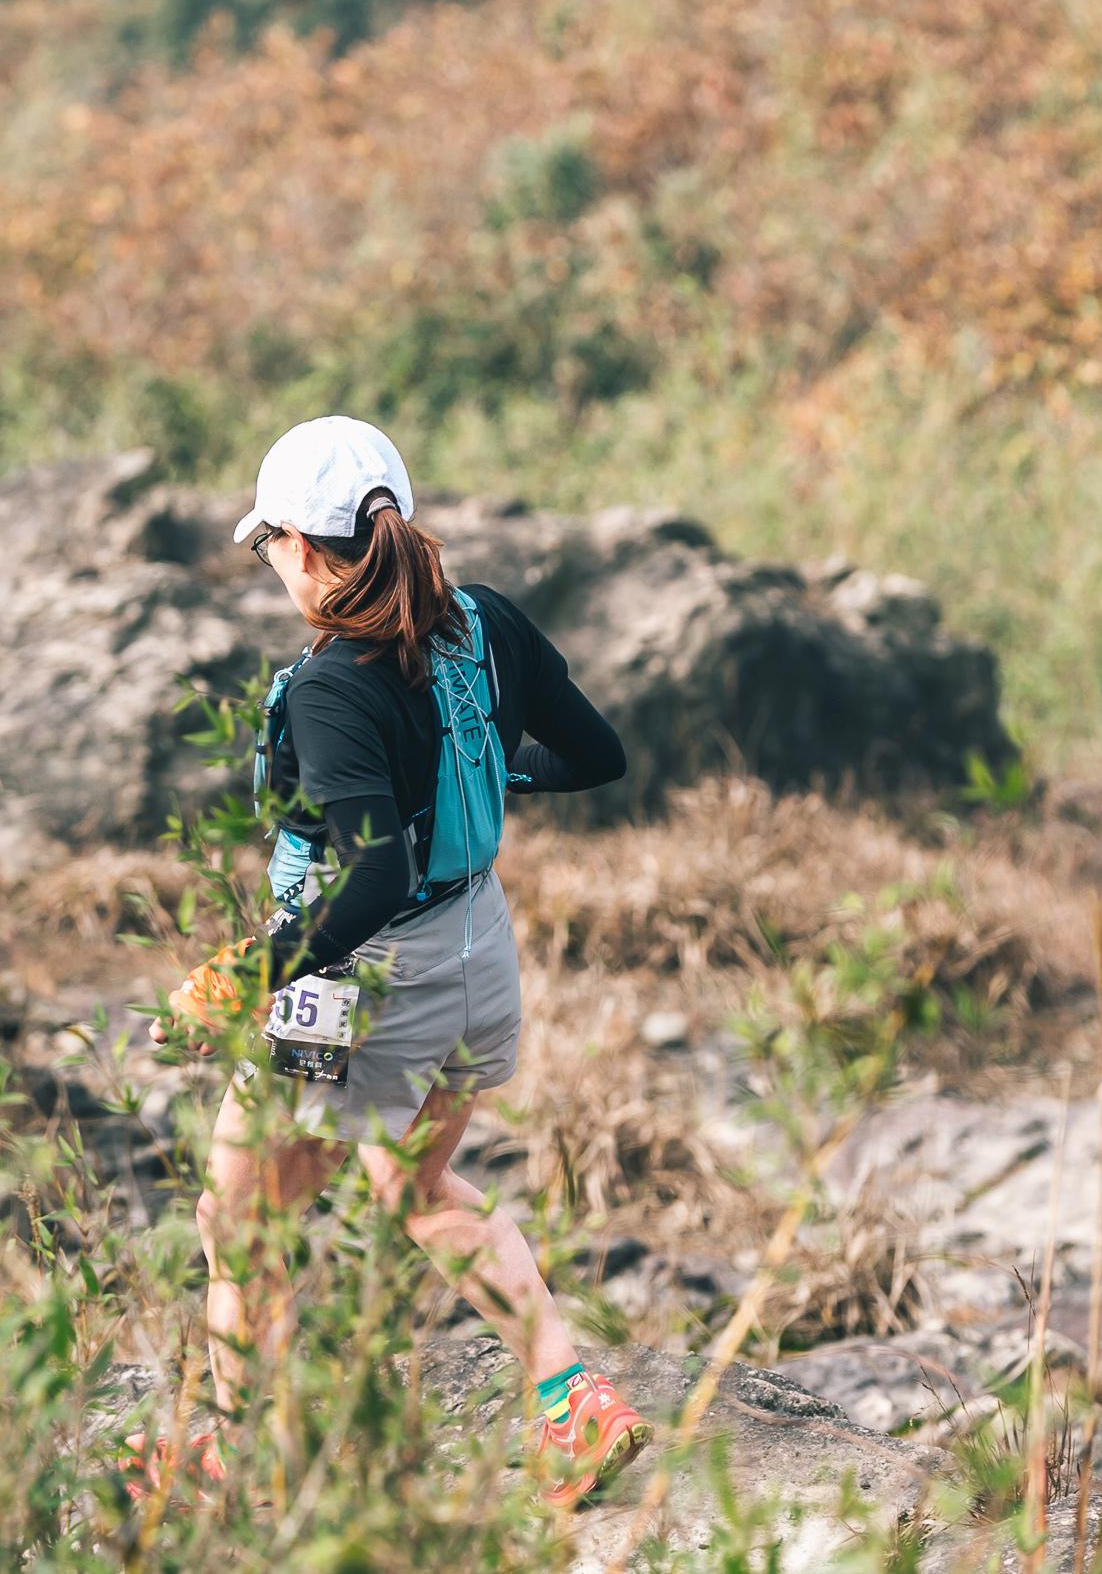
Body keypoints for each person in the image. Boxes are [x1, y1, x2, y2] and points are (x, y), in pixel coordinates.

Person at [135, 415, 651, 1510]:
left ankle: (244, 1461)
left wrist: (243, 977)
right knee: (414, 1182)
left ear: (302, 547)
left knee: (240, 1218)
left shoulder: (332, 687)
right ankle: (574, 1399)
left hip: (365, 984)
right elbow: (599, 754)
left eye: (268, 544)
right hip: (476, 952)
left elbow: (370, 879)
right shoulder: (485, 620)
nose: (272, 563)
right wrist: (488, 770)